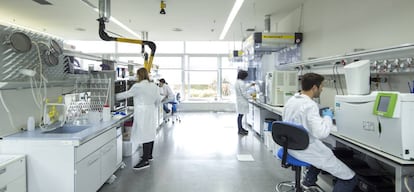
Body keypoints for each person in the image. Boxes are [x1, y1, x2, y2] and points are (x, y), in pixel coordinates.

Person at [282, 73, 358, 191]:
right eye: (321, 86)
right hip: (305, 150)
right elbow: (322, 133)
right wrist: (328, 117)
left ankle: (308, 181)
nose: (322, 89)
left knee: (326, 151)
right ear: (314, 87)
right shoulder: (310, 105)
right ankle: (309, 181)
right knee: (350, 178)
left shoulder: (292, 100)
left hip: (291, 147)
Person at [116, 68, 161, 170]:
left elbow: (125, 94)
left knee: (145, 134)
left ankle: (145, 161)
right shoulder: (154, 86)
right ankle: (149, 155)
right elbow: (158, 100)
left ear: (139, 75)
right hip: (151, 111)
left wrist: (113, 96)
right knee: (150, 133)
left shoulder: (138, 86)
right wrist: (152, 107)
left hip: (142, 112)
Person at [234, 70, 251, 135]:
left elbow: (243, 88)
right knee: (240, 116)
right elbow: (244, 93)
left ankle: (241, 129)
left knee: (240, 115)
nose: (246, 78)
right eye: (246, 76)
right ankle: (240, 130)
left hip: (240, 101)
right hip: (242, 101)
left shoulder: (237, 82)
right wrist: (251, 97)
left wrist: (250, 85)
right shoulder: (241, 83)